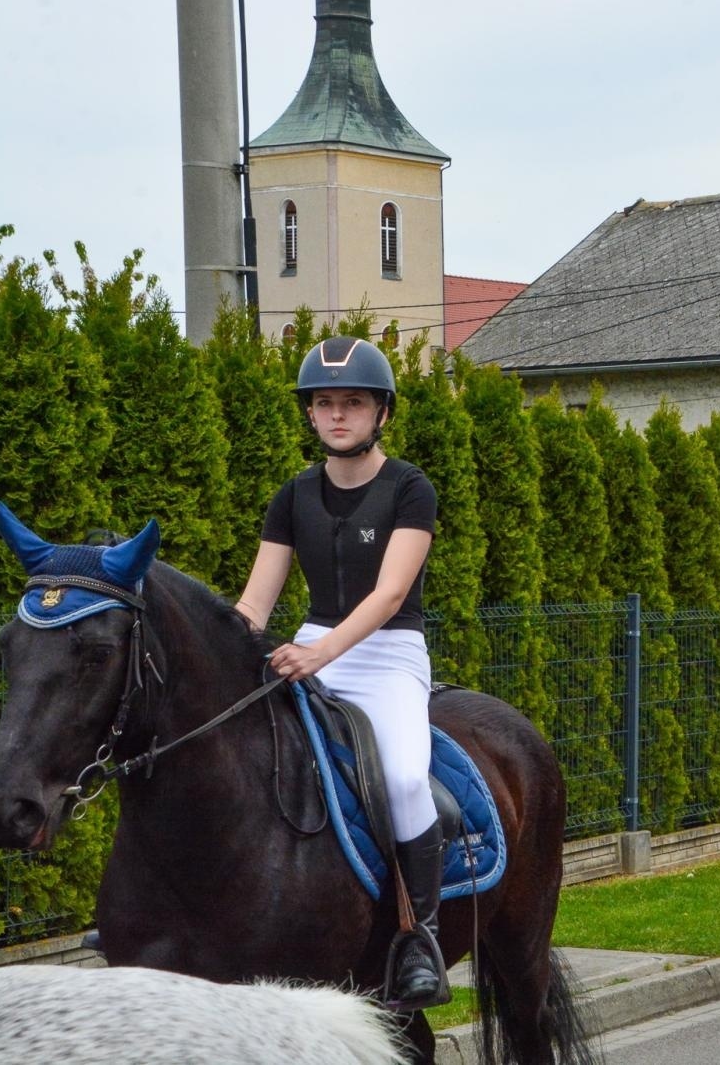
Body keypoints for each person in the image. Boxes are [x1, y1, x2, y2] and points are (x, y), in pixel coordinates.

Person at [234, 336, 447, 1011]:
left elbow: (388, 597)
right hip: (308, 645)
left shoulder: (411, 489)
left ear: (381, 412)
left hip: (387, 654)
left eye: (352, 403)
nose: (336, 416)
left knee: (409, 777)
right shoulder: (291, 496)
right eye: (323, 404)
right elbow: (253, 607)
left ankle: (421, 940)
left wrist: (322, 656)